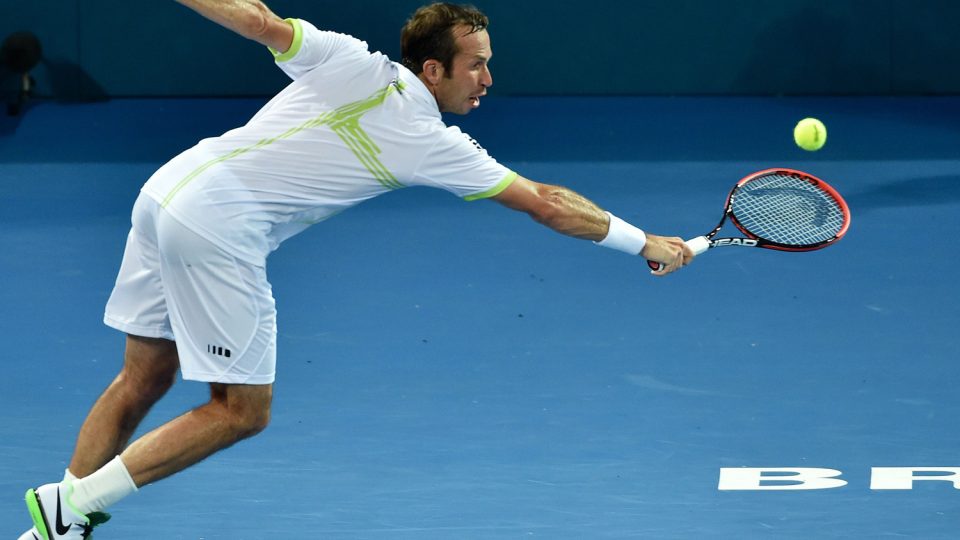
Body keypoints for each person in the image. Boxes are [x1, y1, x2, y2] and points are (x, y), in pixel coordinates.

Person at [21, 1, 694, 537]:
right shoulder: (431, 143)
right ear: (433, 70)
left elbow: (255, 19)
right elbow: (548, 204)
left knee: (146, 374)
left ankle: (65, 527)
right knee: (239, 412)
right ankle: (70, 505)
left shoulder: (347, 58)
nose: (488, 79)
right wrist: (644, 242)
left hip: (165, 192)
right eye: (475, 65)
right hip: (218, 229)